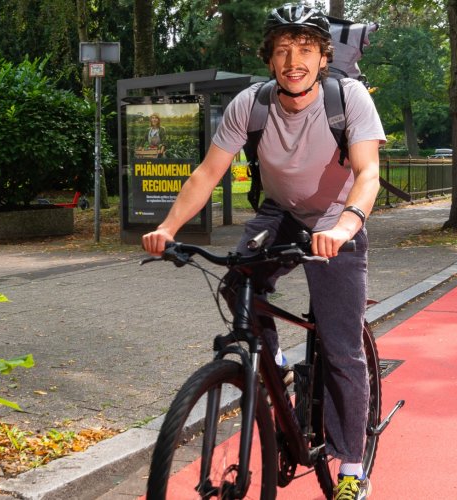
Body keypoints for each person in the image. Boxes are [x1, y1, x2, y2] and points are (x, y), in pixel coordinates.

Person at [141, 4, 384, 499]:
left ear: (322, 58)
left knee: (341, 348)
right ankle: (270, 363)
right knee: (237, 284)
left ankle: (352, 471)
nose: (294, 60)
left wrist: (345, 227)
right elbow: (207, 174)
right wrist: (167, 227)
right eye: (283, 51)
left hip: (337, 219)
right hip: (279, 213)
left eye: (306, 50)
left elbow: (368, 173)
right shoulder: (250, 105)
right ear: (270, 60)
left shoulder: (349, 98)